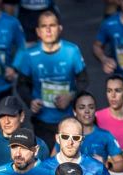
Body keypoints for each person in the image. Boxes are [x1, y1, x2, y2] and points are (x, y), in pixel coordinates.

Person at [13, 8, 88, 144]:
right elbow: (21, 84)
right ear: (38, 32)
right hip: (42, 121)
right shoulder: (29, 55)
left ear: (59, 28)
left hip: (68, 119)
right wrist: (30, 101)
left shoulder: (72, 51)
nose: (48, 30)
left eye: (52, 25)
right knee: (46, 162)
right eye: (44, 26)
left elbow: (84, 80)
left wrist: (70, 96)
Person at [35, 117, 117, 175]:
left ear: (82, 140)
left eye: (76, 138)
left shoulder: (95, 167)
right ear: (57, 138)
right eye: (65, 137)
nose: (70, 142)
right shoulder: (44, 168)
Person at [70, 90, 123, 175]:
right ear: (74, 111)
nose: (87, 111)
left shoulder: (105, 136)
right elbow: (52, 163)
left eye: (91, 107)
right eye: (82, 107)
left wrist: (106, 164)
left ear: (95, 110)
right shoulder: (67, 135)